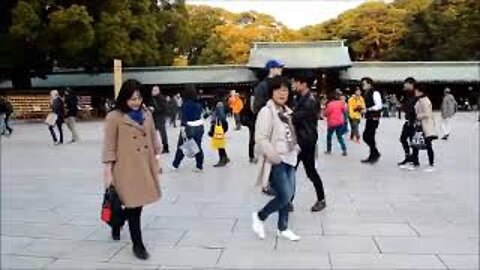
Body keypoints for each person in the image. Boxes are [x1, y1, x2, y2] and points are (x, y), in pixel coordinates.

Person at [102, 79, 162, 260]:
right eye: (132, 99)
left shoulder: (146, 114)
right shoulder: (114, 117)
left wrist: (158, 158)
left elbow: (153, 137)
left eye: (139, 98)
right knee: (133, 205)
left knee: (137, 204)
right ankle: (138, 244)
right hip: (125, 168)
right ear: (124, 98)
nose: (136, 102)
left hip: (145, 165)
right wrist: (108, 172)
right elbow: (109, 146)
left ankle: (116, 222)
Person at [252, 76, 301, 241]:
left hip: (291, 158)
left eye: (285, 90)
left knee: (289, 195)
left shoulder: (287, 112)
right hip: (277, 160)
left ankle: (283, 227)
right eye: (278, 89)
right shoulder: (266, 112)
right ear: (271, 92)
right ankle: (260, 216)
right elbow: (261, 138)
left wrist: (296, 148)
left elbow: (290, 134)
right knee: (285, 195)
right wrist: (274, 157)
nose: (282, 93)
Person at [292, 74, 326, 212]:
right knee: (292, 170)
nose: (293, 85)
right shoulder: (302, 98)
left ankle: (321, 199)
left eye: (296, 82)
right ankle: (287, 200)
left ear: (304, 83)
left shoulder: (310, 101)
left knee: (309, 171)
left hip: (306, 140)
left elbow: (296, 117)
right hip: (302, 137)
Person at [252, 59, 284, 196]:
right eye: (278, 67)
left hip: (279, 122)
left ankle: (273, 181)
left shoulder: (279, 84)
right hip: (268, 122)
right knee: (268, 153)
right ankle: (266, 184)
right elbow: (257, 106)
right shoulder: (263, 86)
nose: (281, 69)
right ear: (271, 69)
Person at [172, 85, 204, 172]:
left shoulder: (185, 104)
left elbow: (184, 118)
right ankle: (199, 165)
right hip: (200, 126)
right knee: (197, 146)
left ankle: (175, 164)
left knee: (182, 145)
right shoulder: (199, 103)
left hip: (189, 127)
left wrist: (182, 129)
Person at [409, 87, 437, 171]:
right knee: (416, 143)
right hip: (421, 125)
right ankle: (416, 162)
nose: (415, 92)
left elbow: (427, 113)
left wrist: (417, 116)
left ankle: (430, 163)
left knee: (426, 144)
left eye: (416, 91)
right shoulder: (421, 100)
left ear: (421, 92)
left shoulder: (424, 101)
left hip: (425, 125)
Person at [360, 77, 383, 164]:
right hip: (369, 117)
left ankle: (374, 154)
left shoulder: (375, 93)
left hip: (374, 117)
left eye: (364, 84)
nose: (363, 86)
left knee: (368, 136)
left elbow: (379, 105)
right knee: (367, 136)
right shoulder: (367, 93)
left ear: (369, 84)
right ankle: (374, 153)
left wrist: (368, 109)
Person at [397, 77, 419, 167]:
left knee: (413, 140)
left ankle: (415, 159)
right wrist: (401, 106)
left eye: (405, 84)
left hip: (413, 121)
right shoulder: (408, 94)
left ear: (410, 84)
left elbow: (415, 108)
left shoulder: (416, 94)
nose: (404, 85)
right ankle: (409, 156)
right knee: (403, 138)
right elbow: (407, 107)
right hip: (408, 120)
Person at [324, 91, 348, 156]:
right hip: (340, 122)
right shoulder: (341, 103)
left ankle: (329, 150)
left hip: (332, 123)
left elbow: (326, 113)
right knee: (339, 136)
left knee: (329, 137)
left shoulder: (330, 104)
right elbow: (345, 110)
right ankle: (344, 149)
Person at [149, 86, 169, 153]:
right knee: (152, 133)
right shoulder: (151, 99)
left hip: (160, 118)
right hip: (153, 118)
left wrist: (155, 109)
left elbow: (164, 109)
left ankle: (165, 147)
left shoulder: (162, 98)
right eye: (152, 90)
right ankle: (154, 147)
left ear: (158, 91)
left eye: (155, 90)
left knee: (162, 133)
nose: (153, 92)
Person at [210, 99, 230, 167]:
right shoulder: (220, 104)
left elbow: (222, 116)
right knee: (219, 142)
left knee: (219, 143)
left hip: (219, 126)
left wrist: (214, 121)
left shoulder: (219, 104)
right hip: (220, 125)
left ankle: (222, 159)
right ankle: (225, 157)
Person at [239, 96, 257, 163]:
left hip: (254, 122)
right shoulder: (250, 101)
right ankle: (252, 156)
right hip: (253, 123)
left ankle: (253, 156)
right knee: (252, 139)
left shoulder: (251, 100)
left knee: (254, 139)